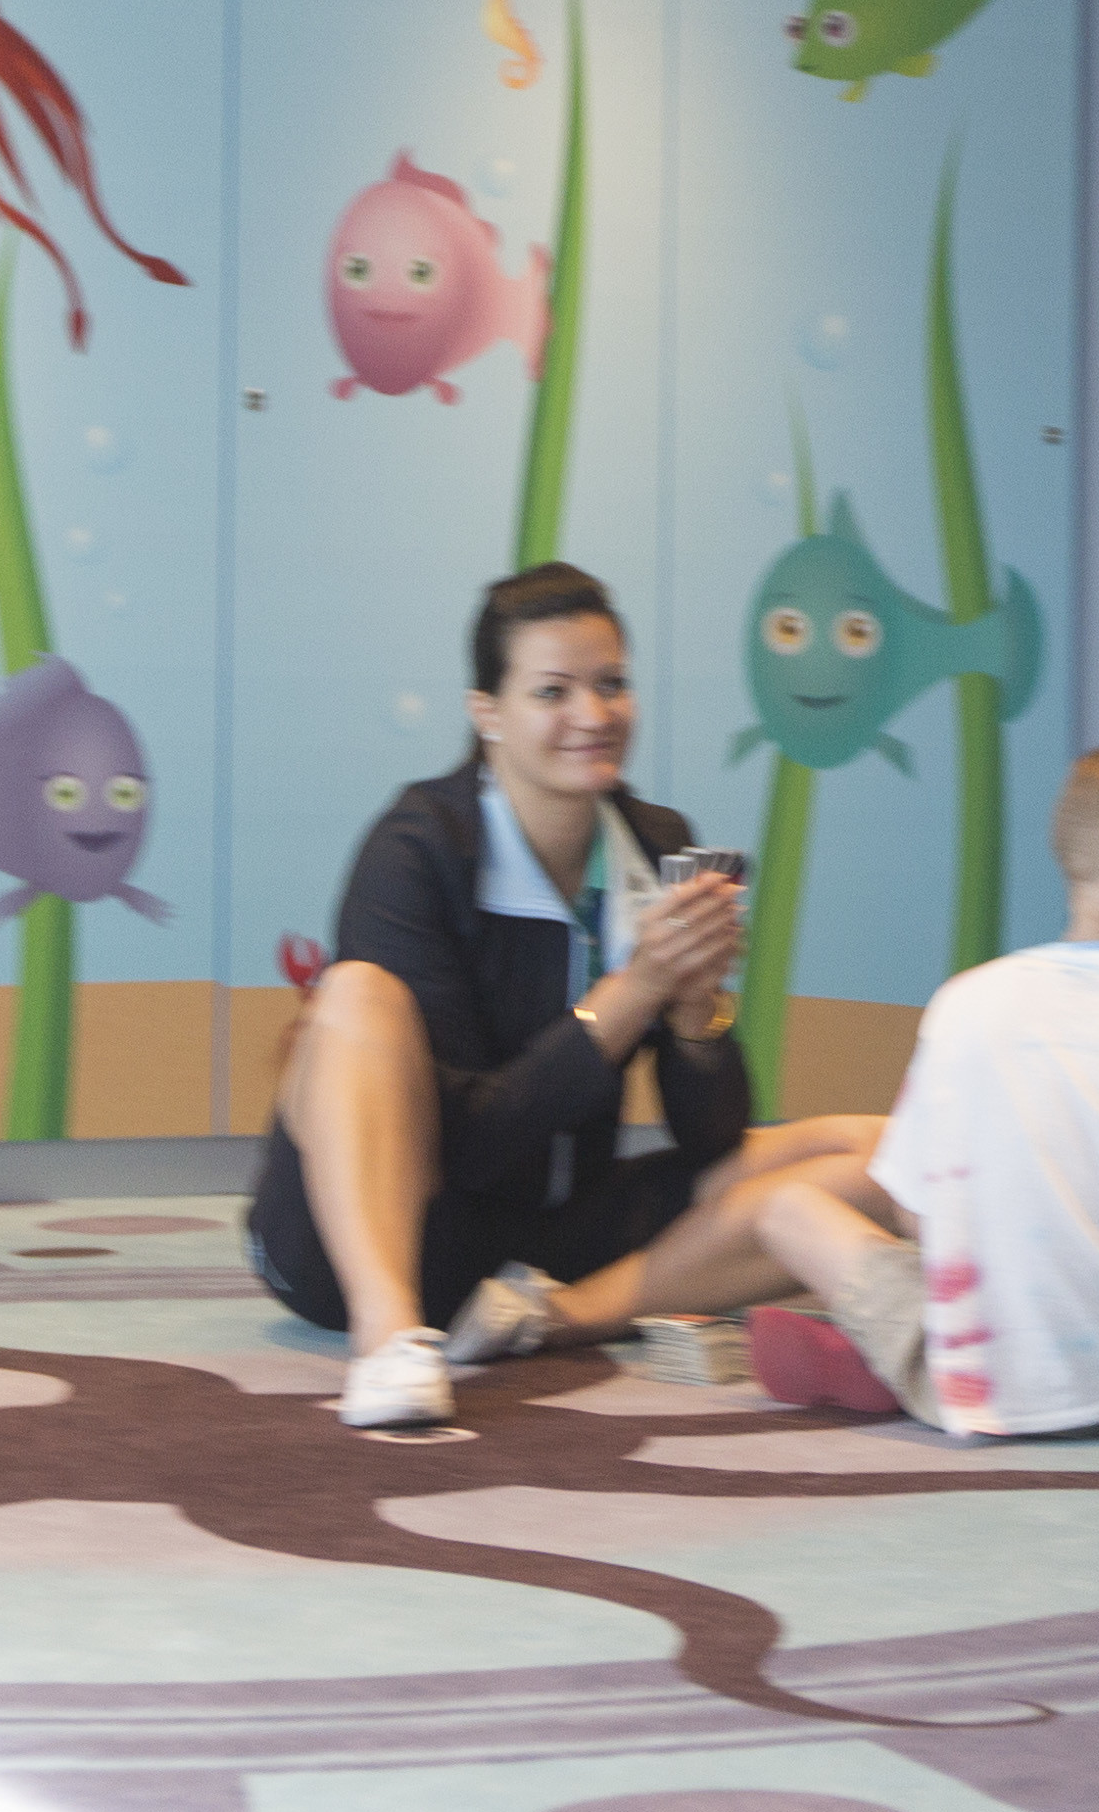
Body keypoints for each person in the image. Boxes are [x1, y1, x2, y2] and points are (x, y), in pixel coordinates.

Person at [248, 562, 904, 1433]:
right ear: (488, 714)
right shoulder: (417, 849)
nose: (593, 717)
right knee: (358, 996)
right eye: (553, 692)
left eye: (612, 685)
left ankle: (556, 1320)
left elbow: (708, 1137)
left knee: (883, 1154)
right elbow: (466, 1145)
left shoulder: (657, 844)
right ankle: (388, 1341)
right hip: (376, 1240)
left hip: (548, 1244)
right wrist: (635, 992)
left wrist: (695, 1010)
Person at [741, 739, 1099, 1440]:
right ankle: (887, 1362)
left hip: (983, 1391)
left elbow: (920, 1219)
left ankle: (885, 1360)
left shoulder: (965, 1000)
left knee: (787, 1209)